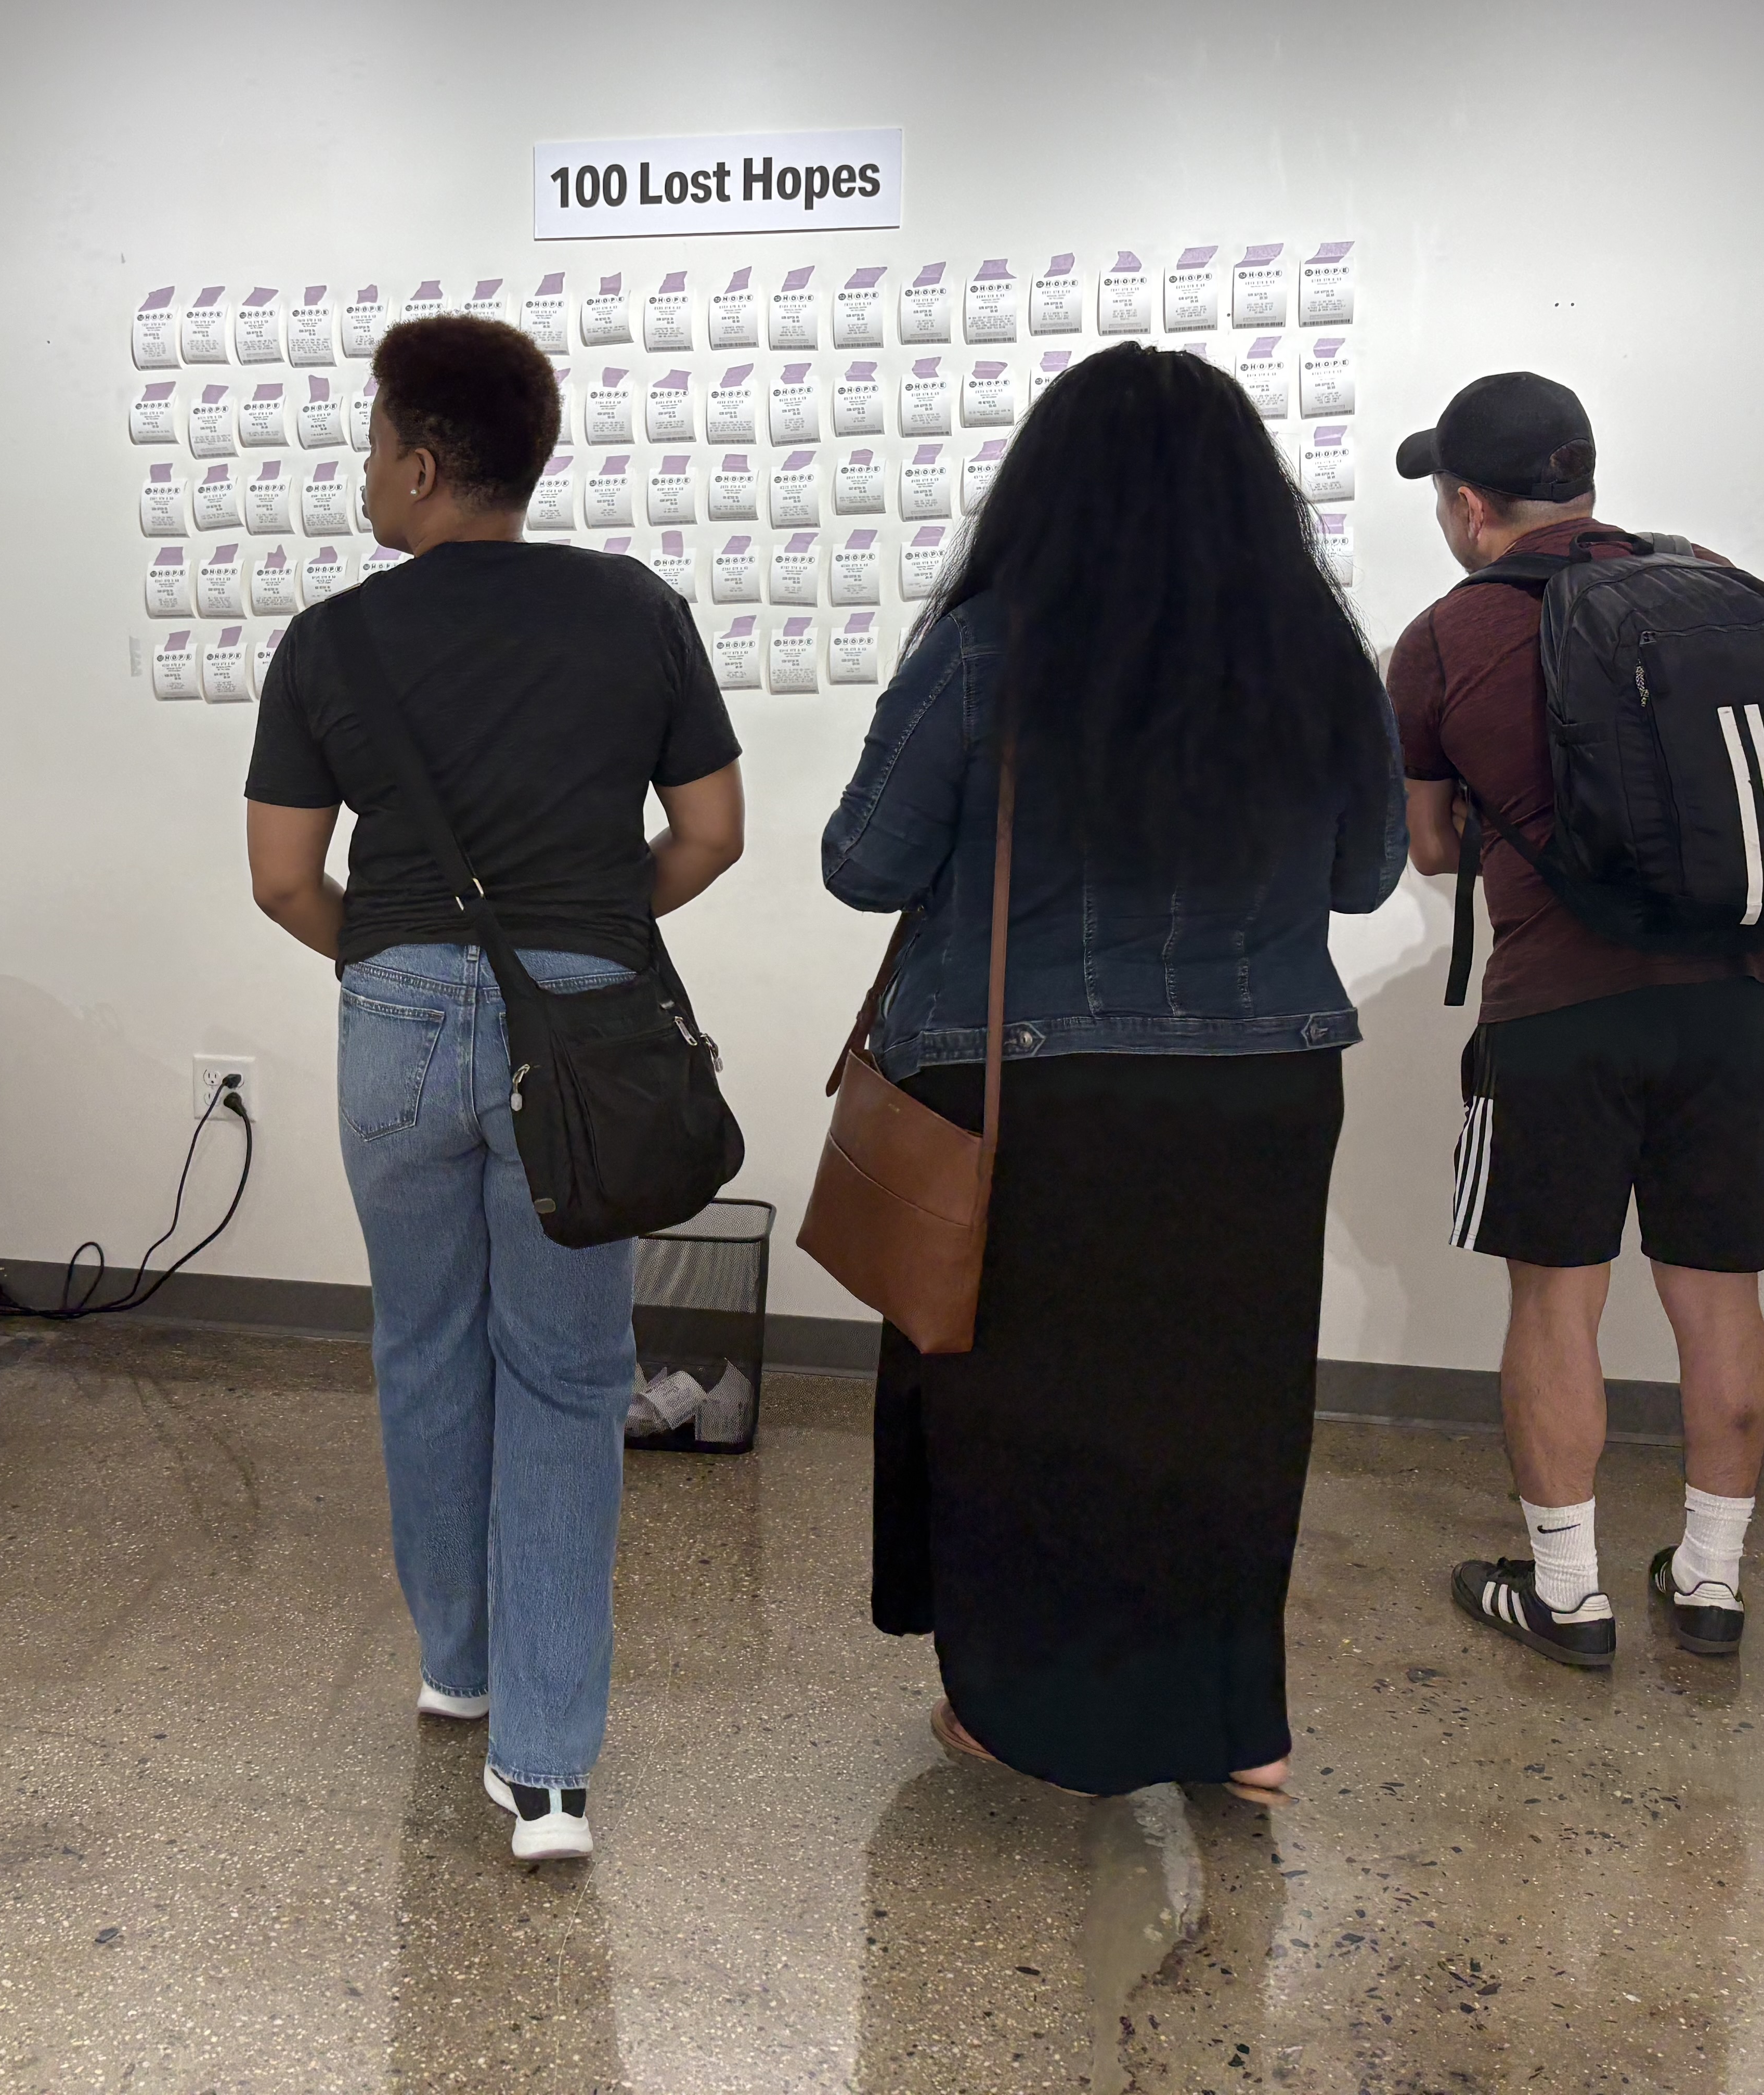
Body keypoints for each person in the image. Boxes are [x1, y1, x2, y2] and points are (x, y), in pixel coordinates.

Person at [821, 342, 1404, 1802]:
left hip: (1031, 1099)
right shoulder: (1314, 653)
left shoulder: (982, 649)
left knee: (1023, 1408)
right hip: (1261, 1096)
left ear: (1045, 487)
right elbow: (1367, 869)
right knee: (1231, 1402)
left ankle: (1029, 1712)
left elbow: (860, 865)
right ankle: (1238, 1726)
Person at [243, 313, 746, 1861]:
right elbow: (712, 834)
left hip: (391, 1016)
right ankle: (547, 1769)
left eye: (371, 441)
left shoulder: (330, 639)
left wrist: (406, 957)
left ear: (420, 457)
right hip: (585, 1019)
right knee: (570, 1372)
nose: (364, 473)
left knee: (425, 1345)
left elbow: (280, 879)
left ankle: (457, 1666)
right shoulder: (637, 610)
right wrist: (571, 944)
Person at [1385, 372, 1764, 1670]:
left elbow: (1433, 851)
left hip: (1560, 1009)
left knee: (1557, 1298)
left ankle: (1569, 1593)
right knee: (1716, 1288)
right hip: (1736, 997)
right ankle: (1713, 1583)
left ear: (1467, 502)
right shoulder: (1712, 583)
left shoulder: (1447, 637)